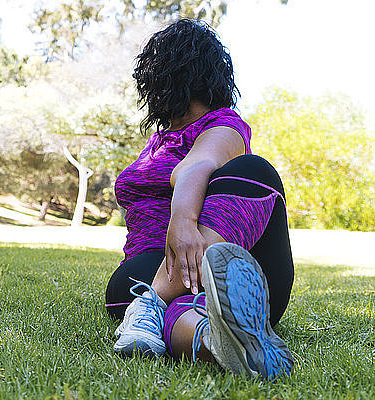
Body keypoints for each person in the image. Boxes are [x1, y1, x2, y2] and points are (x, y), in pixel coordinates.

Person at [105, 19, 295, 380]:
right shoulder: (159, 142)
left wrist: (182, 221)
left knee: (254, 171)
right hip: (147, 269)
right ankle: (225, 338)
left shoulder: (222, 124)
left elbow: (197, 166)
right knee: (178, 296)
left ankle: (157, 306)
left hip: (226, 268)